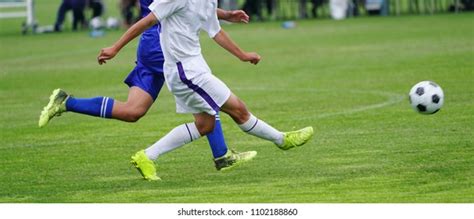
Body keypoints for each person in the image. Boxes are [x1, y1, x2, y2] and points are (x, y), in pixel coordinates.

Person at [97, 0, 314, 181]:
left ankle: (146, 156)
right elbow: (146, 21)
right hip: (185, 71)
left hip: (195, 66)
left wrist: (242, 54)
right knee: (238, 110)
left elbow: (216, 31)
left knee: (206, 124)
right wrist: (115, 47)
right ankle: (282, 140)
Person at [39, 0, 255, 172]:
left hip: (150, 44)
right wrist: (116, 47)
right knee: (204, 90)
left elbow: (186, 4)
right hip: (161, 43)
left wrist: (224, 14)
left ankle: (66, 102)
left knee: (133, 110)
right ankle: (222, 155)